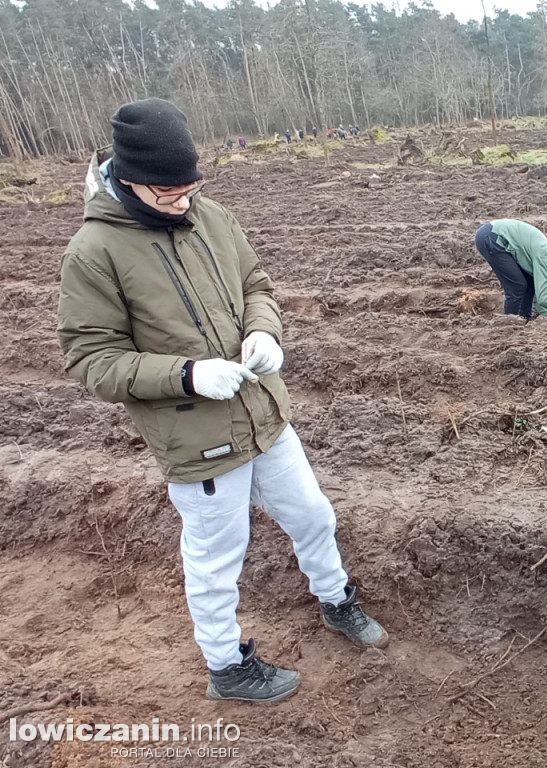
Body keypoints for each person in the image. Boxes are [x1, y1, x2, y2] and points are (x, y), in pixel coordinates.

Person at [57, 98, 389, 704]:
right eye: (167, 193)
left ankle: (338, 601)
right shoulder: (94, 251)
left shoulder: (212, 216)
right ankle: (227, 667)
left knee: (313, 515)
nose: (182, 201)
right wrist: (186, 375)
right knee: (216, 558)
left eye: (190, 187)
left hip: (265, 414)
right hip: (198, 437)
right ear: (127, 177)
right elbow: (90, 360)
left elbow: (257, 285)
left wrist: (265, 330)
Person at [474, 219, 547, 322]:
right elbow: (543, 298)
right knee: (517, 287)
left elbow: (540, 296)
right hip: (491, 236)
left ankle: (525, 320)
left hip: (493, 235)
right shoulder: (546, 258)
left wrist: (545, 319)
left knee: (529, 284)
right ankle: (508, 325)